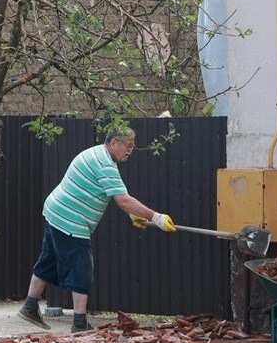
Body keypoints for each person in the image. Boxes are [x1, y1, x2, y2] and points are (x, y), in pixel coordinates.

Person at [18, 127, 175, 332]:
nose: (131, 150)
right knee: (82, 270)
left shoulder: (97, 154)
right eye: (128, 145)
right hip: (70, 220)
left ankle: (29, 307)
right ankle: (79, 323)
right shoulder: (104, 163)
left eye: (133, 146)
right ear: (114, 143)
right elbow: (123, 200)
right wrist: (156, 217)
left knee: (48, 260)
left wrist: (132, 215)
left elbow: (112, 194)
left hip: (56, 211)